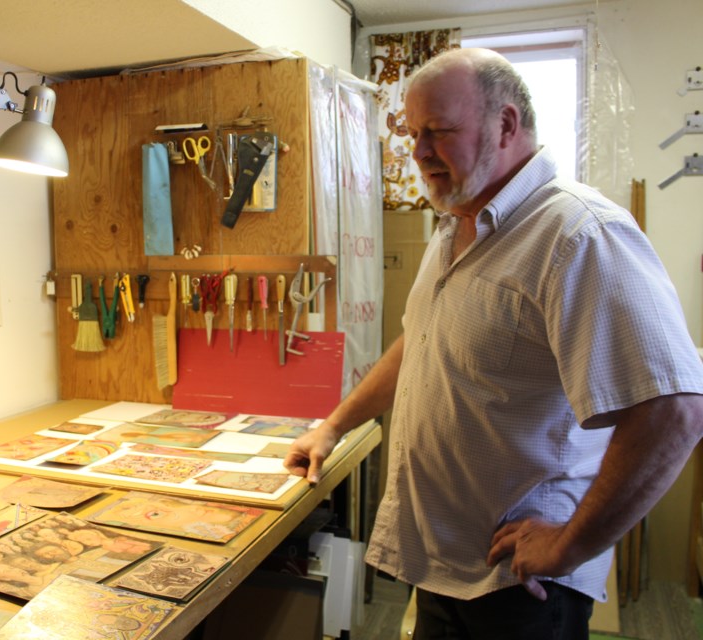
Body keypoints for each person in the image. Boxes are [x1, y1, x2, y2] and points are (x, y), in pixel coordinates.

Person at [284, 47, 703, 639]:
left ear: (506, 125)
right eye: (412, 133)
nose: (420, 151)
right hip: (444, 566)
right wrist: (334, 426)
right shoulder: (457, 222)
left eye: (439, 131)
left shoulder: (579, 234)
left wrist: (566, 545)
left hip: (522, 587)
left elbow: (675, 410)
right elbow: (420, 343)